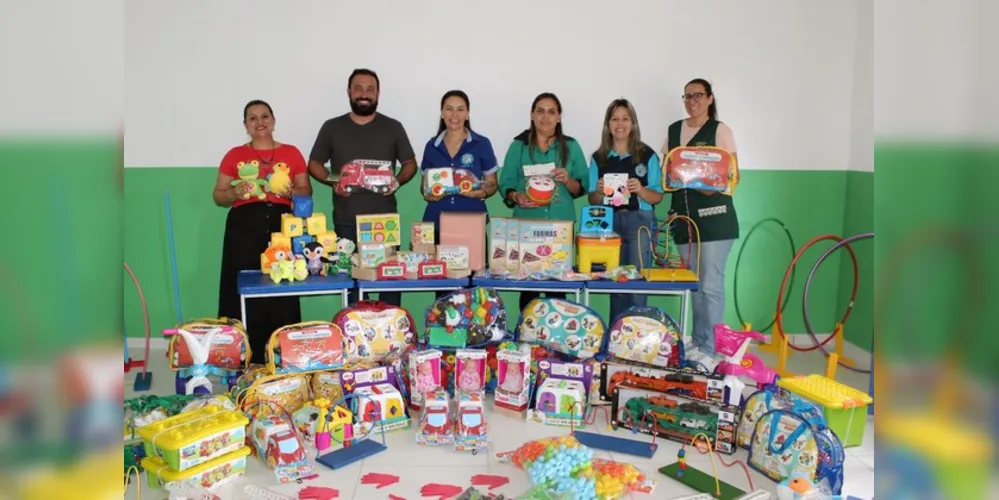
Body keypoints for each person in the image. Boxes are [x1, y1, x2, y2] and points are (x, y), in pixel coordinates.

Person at [212, 99, 312, 364]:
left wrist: (292, 192)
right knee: (245, 284)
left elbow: (306, 191)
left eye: (265, 116)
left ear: (274, 120)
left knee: (283, 285)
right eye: (253, 118)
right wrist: (234, 192)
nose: (260, 122)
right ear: (246, 125)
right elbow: (219, 196)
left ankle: (282, 352)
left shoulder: (291, 152)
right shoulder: (234, 155)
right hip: (244, 224)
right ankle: (246, 354)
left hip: (282, 223)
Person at [308, 68, 418, 307]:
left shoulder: (393, 127)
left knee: (389, 285)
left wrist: (397, 181)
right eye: (359, 88)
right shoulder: (332, 127)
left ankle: (392, 337)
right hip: (347, 223)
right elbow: (314, 164)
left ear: (378, 93)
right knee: (352, 288)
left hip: (385, 225)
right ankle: (357, 335)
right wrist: (332, 181)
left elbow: (410, 164)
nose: (364, 94)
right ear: (349, 92)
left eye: (370, 89)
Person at [661, 78, 740, 367]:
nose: (691, 101)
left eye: (697, 95)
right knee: (694, 285)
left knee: (710, 286)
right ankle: (699, 341)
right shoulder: (673, 130)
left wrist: (695, 176)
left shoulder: (720, 131)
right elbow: (667, 170)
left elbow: (729, 175)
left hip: (715, 219)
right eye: (687, 96)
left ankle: (714, 350)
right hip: (683, 220)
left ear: (709, 98)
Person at [498, 92, 589, 312]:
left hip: (560, 229)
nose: (545, 117)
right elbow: (506, 184)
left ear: (559, 117)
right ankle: (526, 340)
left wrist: (567, 179)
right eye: (540, 111)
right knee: (528, 290)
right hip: (527, 227)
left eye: (551, 112)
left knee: (557, 290)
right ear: (532, 115)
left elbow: (583, 187)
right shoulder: (518, 146)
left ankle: (557, 340)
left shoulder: (571, 146)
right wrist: (516, 196)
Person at [587, 98, 664, 323]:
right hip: (609, 225)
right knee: (615, 283)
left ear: (633, 123)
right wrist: (600, 191)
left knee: (637, 284)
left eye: (625, 119)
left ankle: (637, 337)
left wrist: (640, 190)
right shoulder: (598, 158)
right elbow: (592, 199)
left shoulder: (647, 155)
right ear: (607, 124)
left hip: (639, 222)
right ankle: (616, 335)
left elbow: (658, 196)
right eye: (614, 119)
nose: (620, 124)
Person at [420, 90, 499, 297]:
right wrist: (429, 194)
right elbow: (424, 187)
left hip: (472, 225)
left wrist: (480, 192)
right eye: (449, 109)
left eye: (460, 109)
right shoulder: (432, 146)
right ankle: (443, 328)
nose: (454, 115)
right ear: (442, 113)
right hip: (438, 225)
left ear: (468, 114)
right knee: (443, 289)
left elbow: (492, 184)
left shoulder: (482, 144)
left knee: (474, 289)